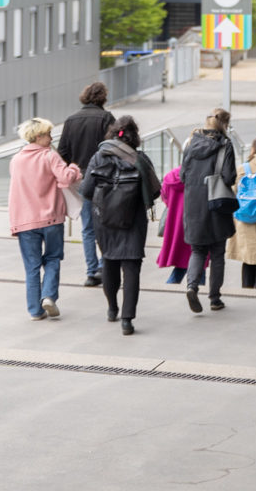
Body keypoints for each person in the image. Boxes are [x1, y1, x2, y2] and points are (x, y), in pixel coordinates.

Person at [77, 114, 159, 334]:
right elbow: (154, 192)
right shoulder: (140, 159)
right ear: (134, 136)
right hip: (134, 220)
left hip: (104, 220)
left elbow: (86, 191)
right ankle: (127, 320)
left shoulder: (98, 157)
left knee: (109, 261)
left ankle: (112, 308)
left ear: (113, 134)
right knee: (131, 267)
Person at [7, 117, 82, 320]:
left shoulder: (16, 160)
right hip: (51, 219)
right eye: (48, 134)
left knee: (31, 267)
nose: (51, 138)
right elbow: (67, 178)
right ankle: (48, 296)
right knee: (52, 258)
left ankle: (35, 310)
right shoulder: (50, 156)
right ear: (39, 136)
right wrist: (74, 168)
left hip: (25, 221)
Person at [57, 82, 116, 288]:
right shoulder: (107, 118)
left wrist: (74, 170)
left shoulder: (71, 120)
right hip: (104, 178)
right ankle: (103, 267)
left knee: (88, 227)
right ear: (103, 98)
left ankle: (91, 272)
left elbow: (62, 153)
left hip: (81, 179)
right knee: (107, 224)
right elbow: (115, 147)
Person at [180, 109, 239, 314]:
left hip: (193, 203)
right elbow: (229, 177)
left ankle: (192, 286)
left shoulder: (191, 142)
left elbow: (182, 176)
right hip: (216, 203)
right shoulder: (225, 145)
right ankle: (215, 298)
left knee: (197, 251)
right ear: (225, 124)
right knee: (217, 254)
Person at [230, 134, 256, 290]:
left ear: (253, 149)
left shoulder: (241, 169)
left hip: (243, 222)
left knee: (247, 262)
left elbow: (232, 193)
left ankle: (246, 294)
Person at [155, 165, 191, 285]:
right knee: (199, 254)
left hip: (175, 220)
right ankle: (196, 287)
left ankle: (174, 282)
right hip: (195, 218)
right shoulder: (199, 173)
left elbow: (165, 197)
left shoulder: (170, 175)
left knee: (185, 254)